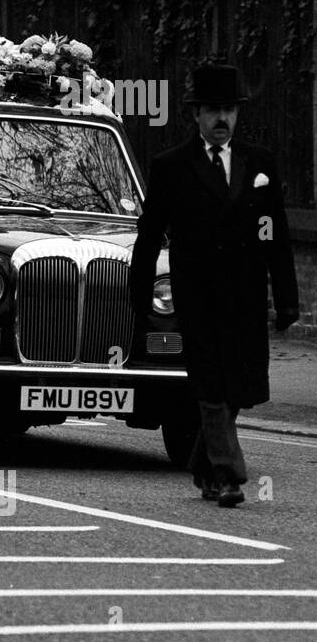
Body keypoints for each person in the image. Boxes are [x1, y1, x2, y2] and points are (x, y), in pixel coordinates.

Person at [130, 63, 300, 508]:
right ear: (196, 115)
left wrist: (286, 300)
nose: (222, 119)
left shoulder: (259, 163)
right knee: (211, 384)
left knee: (241, 386)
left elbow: (276, 235)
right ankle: (227, 474)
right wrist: (138, 295)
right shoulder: (172, 166)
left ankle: (203, 463)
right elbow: (149, 236)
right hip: (197, 293)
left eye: (229, 110)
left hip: (245, 294)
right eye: (213, 111)